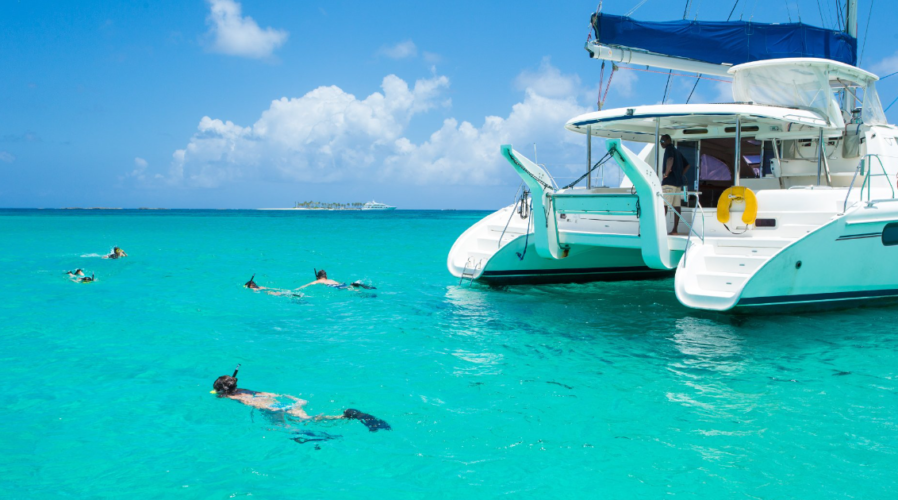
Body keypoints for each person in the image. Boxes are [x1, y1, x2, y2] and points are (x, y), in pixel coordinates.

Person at [212, 366, 390, 431]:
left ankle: (311, 437)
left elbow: (245, 400)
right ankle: (346, 416)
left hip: (272, 408)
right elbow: (269, 394)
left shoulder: (232, 396)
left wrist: (222, 395)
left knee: (285, 428)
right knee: (306, 418)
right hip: (280, 401)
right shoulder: (245, 388)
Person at [660, 134, 691, 234]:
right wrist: (679, 174)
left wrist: (666, 173)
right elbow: (688, 165)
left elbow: (670, 160)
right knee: (676, 207)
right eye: (661, 141)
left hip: (669, 182)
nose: (661, 143)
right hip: (677, 183)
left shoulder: (669, 149)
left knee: (664, 205)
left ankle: (658, 230)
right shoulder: (677, 151)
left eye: (663, 140)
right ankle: (675, 230)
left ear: (669, 140)